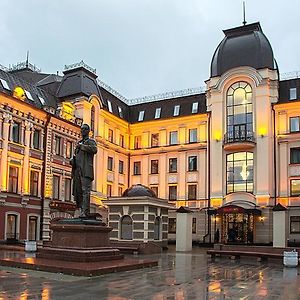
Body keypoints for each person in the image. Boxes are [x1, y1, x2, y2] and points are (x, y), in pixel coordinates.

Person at [70, 124, 97, 218]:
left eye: (85, 129)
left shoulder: (91, 142)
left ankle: (85, 212)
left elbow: (94, 149)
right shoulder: (79, 143)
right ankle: (80, 210)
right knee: (78, 191)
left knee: (85, 191)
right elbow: (76, 156)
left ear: (88, 131)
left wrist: (82, 147)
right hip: (77, 170)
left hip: (86, 170)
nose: (83, 131)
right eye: (82, 129)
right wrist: (72, 160)